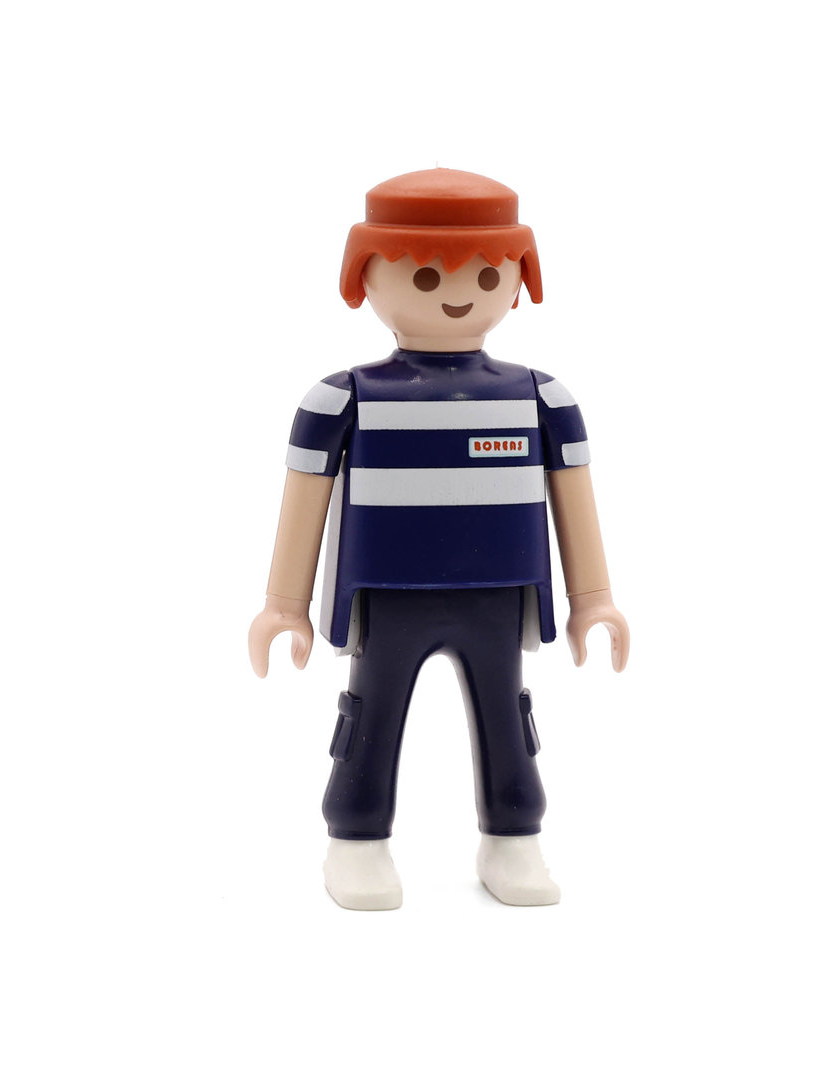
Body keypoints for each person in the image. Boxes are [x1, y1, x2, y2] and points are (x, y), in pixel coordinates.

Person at [248, 168, 629, 910]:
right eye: (424, 275)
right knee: (373, 711)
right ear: (367, 278)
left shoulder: (543, 398)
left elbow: (574, 499)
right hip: (387, 592)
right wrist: (283, 606)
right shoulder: (342, 397)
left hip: (499, 591)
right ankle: (356, 840)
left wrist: (594, 600)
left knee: (505, 713)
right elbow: (306, 500)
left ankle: (513, 837)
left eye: (487, 275)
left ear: (516, 283)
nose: (457, 294)